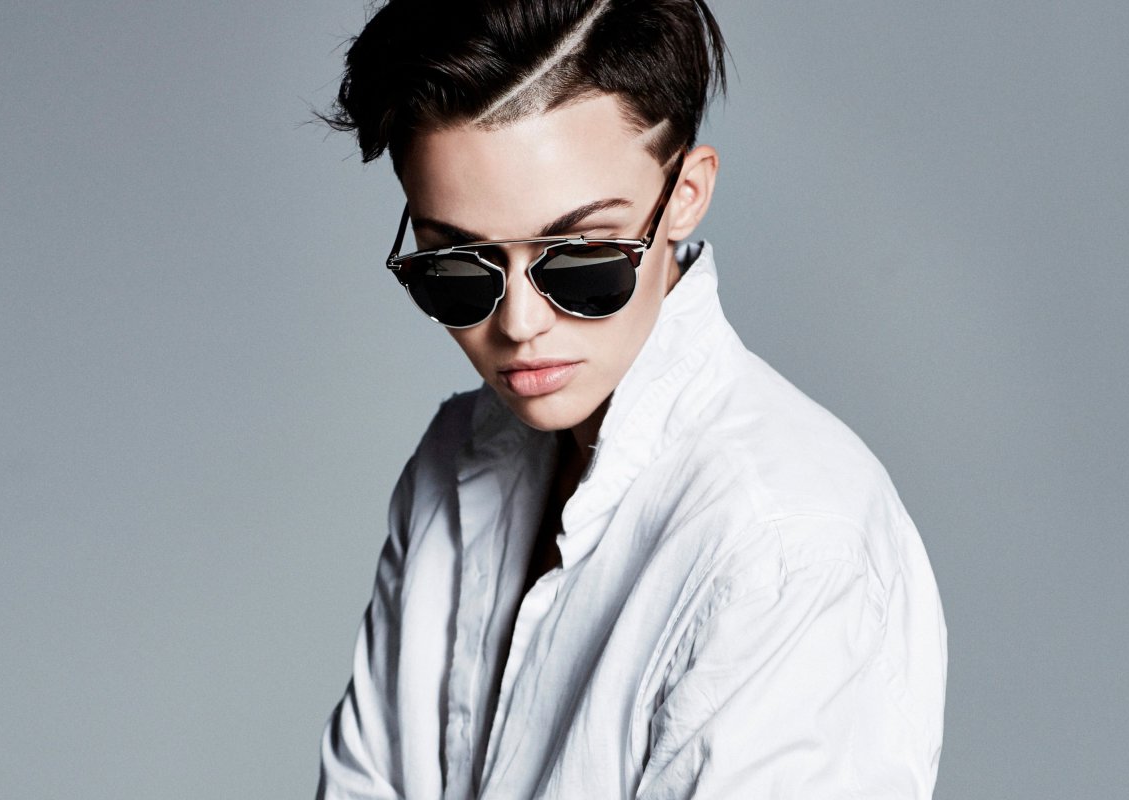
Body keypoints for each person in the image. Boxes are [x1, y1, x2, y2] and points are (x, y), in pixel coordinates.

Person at [316, 1, 947, 797]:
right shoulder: (452, 460)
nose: (518, 324)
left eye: (581, 258)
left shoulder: (786, 549)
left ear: (685, 193)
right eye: (458, 268)